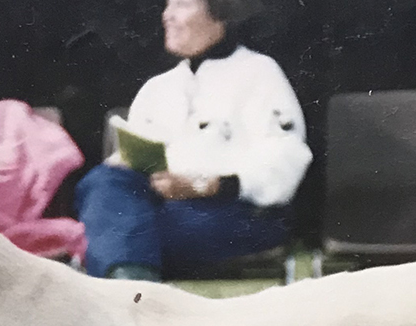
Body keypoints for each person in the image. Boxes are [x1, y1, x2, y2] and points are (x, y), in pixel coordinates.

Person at [75, 0, 311, 280]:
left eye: (182, 5)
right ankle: (136, 287)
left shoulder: (260, 73)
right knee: (104, 181)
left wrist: (208, 185)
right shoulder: (158, 87)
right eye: (167, 5)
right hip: (163, 211)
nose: (167, 16)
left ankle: (132, 294)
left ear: (221, 13)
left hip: (237, 215)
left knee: (115, 232)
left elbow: (285, 158)